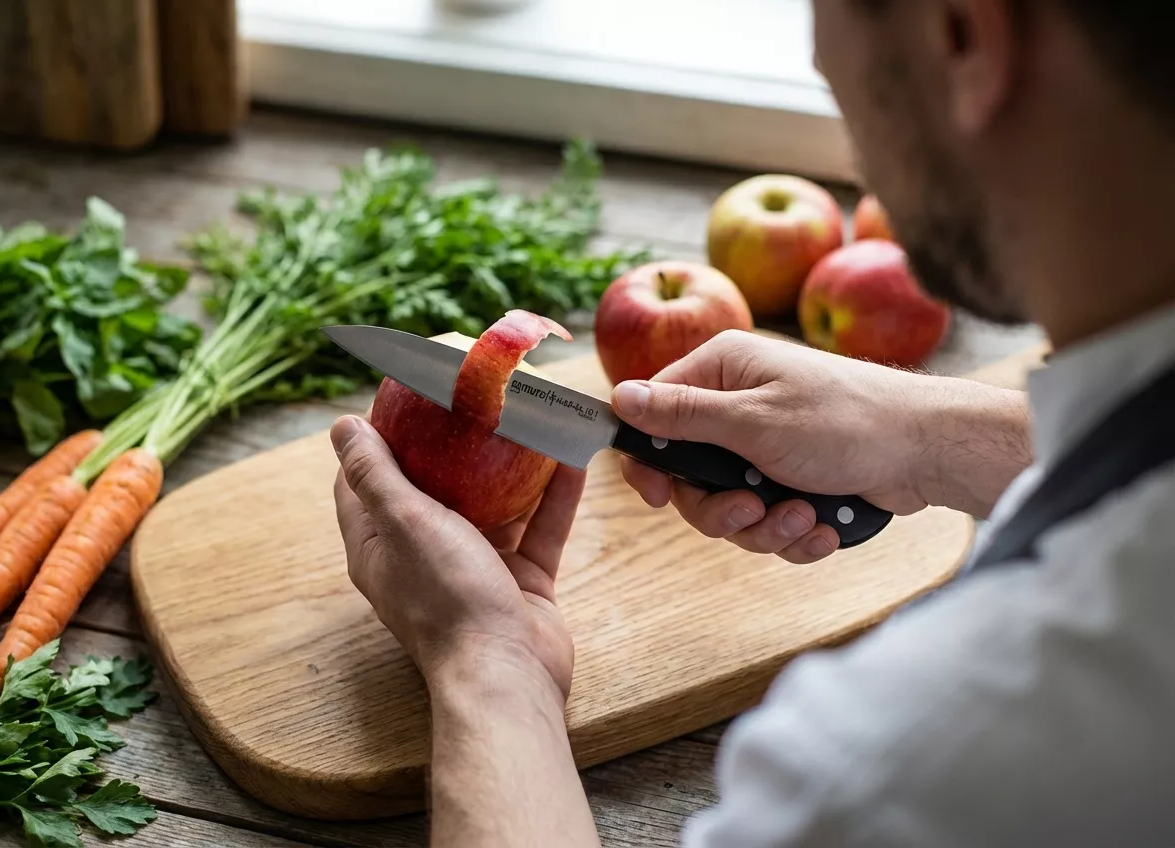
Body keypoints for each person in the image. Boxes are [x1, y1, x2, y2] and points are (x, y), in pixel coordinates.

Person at [330, 0, 1175, 843]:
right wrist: (924, 437)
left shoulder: (898, 772)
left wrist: (489, 661)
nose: (820, 66)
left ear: (962, 34)